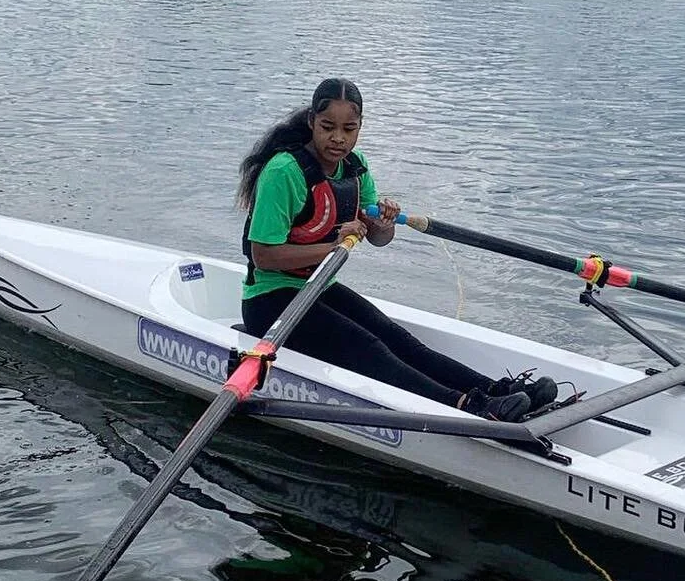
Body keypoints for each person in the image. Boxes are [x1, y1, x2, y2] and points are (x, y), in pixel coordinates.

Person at [237, 78, 559, 423]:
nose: (339, 139)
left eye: (349, 128)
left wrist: (383, 223)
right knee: (369, 347)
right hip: (269, 302)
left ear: (360, 127)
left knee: (400, 340)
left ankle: (498, 390)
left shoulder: (355, 167)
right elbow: (265, 256)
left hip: (318, 288)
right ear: (312, 122)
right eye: (328, 127)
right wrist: (333, 245)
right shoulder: (284, 172)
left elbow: (378, 239)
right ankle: (467, 405)